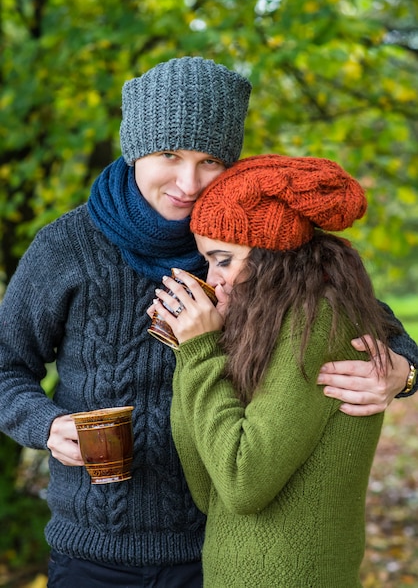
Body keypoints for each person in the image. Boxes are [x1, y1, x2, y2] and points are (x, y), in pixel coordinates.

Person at [0, 56, 415, 586]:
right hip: (94, 550)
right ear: (135, 150)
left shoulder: (248, 241)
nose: (188, 181)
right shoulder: (67, 247)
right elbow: (7, 366)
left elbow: (369, 321)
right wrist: (46, 425)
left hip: (221, 548)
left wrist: (403, 372)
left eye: (210, 160)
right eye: (169, 154)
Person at [152, 154, 416, 587]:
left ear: (271, 255)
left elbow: (241, 483)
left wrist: (199, 352)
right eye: (207, 262)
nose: (213, 280)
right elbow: (207, 490)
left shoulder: (319, 324)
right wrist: (189, 350)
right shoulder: (265, 327)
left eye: (223, 259)